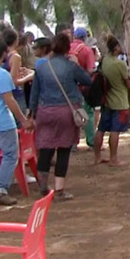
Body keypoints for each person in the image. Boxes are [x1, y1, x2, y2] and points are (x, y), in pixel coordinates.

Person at [30, 33, 92, 201]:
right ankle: (59, 190)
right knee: (64, 150)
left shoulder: (42, 68)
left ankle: (43, 187)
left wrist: (32, 114)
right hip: (66, 111)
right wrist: (76, 64)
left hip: (45, 111)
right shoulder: (71, 67)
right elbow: (87, 80)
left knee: (46, 148)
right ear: (67, 48)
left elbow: (34, 94)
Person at [0, 38, 34, 205]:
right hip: (2, 121)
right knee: (10, 154)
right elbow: (10, 101)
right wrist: (23, 120)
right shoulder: (2, 74)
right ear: (4, 54)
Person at [94, 35, 130, 166]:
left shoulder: (104, 61)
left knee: (101, 129)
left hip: (106, 100)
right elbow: (128, 83)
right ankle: (113, 158)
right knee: (115, 131)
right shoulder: (120, 64)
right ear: (116, 47)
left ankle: (97, 157)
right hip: (120, 101)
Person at [2, 29, 35, 116]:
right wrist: (30, 76)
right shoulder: (15, 57)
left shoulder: (4, 54)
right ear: (16, 41)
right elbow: (13, 82)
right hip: (15, 94)